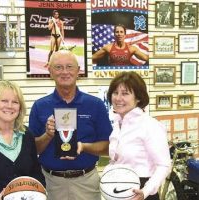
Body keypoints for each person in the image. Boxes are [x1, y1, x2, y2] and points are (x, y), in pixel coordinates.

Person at [29, 50, 113, 200]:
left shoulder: (95, 105)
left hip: (86, 182)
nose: (64, 72)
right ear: (50, 71)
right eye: (58, 67)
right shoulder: (39, 106)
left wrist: (84, 147)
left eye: (69, 66)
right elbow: (32, 149)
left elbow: (107, 147)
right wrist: (47, 135)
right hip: (50, 183)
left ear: (78, 70)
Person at [107, 71, 171, 200]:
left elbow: (164, 165)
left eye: (125, 93)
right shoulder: (117, 124)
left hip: (140, 192)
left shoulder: (150, 125)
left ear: (138, 98)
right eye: (115, 93)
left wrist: (145, 191)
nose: (118, 98)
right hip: (118, 190)